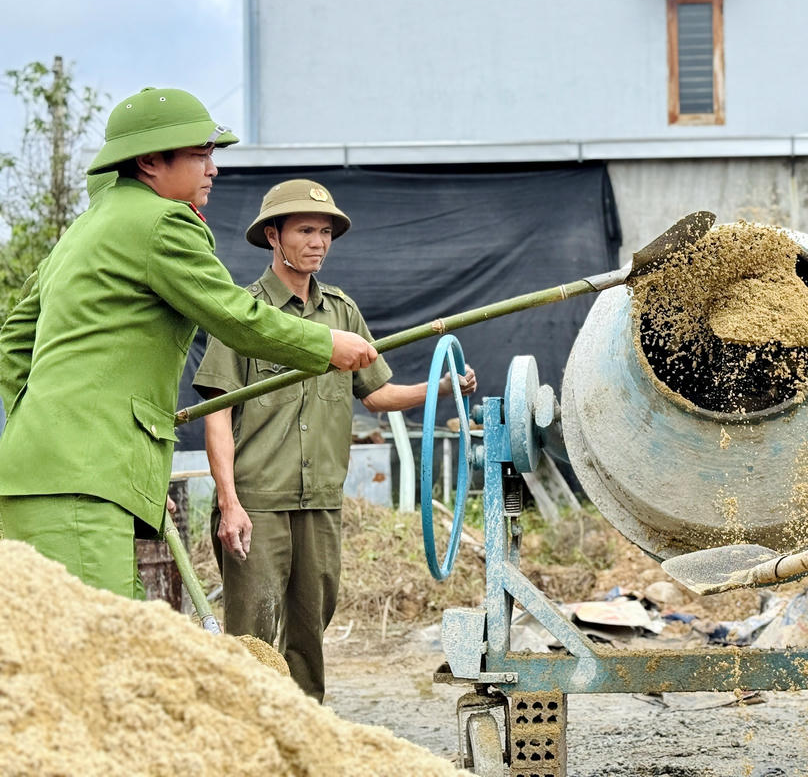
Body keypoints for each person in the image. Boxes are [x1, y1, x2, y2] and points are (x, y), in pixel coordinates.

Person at [0, 88, 379, 600]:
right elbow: (235, 318)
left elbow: (14, 340)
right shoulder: (162, 222)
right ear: (151, 161)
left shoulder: (85, 227)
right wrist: (325, 345)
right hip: (79, 484)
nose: (213, 169)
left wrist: (87, 455)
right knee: (103, 653)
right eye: (200, 155)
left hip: (44, 475)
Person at [192, 179, 476, 701]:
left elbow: (377, 393)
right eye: (305, 230)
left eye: (325, 232)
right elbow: (216, 415)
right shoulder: (245, 312)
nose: (318, 242)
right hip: (258, 500)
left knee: (310, 631)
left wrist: (438, 388)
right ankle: (243, 738)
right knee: (252, 635)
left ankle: (305, 731)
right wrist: (230, 503)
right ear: (273, 236)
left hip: (321, 500)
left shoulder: (342, 313)